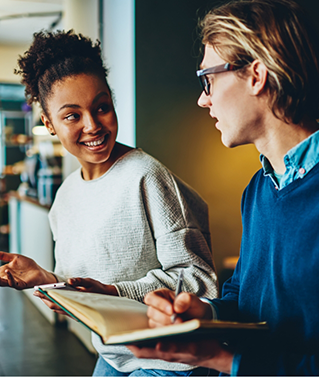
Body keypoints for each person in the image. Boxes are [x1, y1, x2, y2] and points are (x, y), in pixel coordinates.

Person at [127, 0, 319, 375]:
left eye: (207, 79)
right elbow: (244, 300)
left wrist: (219, 359)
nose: (202, 98)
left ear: (256, 75)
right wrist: (203, 311)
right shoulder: (258, 189)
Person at [0, 30, 218, 376]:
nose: (92, 125)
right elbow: (90, 297)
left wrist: (116, 291)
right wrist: (45, 279)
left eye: (102, 107)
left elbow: (199, 282)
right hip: (116, 355)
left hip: (171, 361)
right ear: (49, 123)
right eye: (72, 115)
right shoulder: (64, 199)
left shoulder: (145, 176)